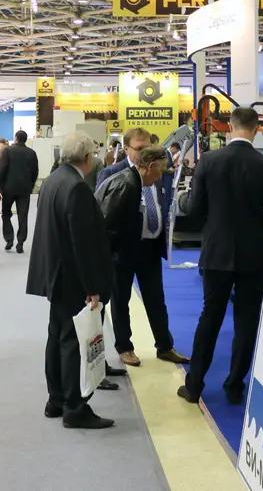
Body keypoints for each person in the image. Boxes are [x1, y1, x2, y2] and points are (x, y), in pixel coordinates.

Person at [177, 107, 263, 405]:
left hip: (216, 252)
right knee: (246, 321)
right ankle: (235, 385)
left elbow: (194, 212)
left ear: (229, 127)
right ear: (256, 129)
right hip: (253, 255)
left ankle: (194, 385)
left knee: (210, 316)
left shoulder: (209, 161)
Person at [27, 132, 115, 430]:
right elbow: (83, 243)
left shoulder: (53, 180)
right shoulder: (77, 187)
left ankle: (56, 399)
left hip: (55, 273)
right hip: (72, 277)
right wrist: (92, 287)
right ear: (88, 157)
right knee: (72, 342)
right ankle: (75, 407)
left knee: (57, 336)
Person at [96, 145, 188, 368]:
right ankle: (124, 347)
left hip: (148, 248)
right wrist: (109, 258)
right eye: (160, 170)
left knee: (156, 299)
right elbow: (108, 226)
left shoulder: (137, 182)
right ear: (150, 166)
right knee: (120, 300)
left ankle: (164, 346)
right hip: (123, 252)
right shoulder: (126, 184)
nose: (161, 176)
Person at [0, 129, 39, 254]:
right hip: (24, 189)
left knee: (6, 214)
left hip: (9, 188)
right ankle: (20, 242)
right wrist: (31, 185)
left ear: (16, 138)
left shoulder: (8, 151)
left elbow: (2, 169)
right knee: (23, 216)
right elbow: (35, 171)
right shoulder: (32, 153)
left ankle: (9, 239)